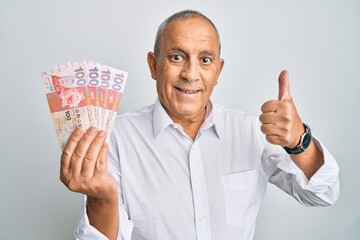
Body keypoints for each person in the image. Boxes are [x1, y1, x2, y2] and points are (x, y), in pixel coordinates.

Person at [59, 10, 339, 240]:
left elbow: (323, 194)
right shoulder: (115, 138)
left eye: (205, 60)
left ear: (218, 70)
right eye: (177, 57)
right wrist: (102, 199)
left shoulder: (251, 131)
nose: (191, 74)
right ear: (154, 65)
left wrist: (299, 142)